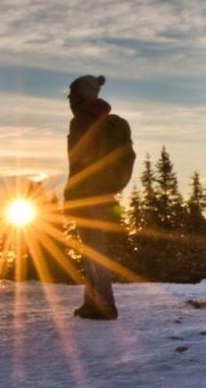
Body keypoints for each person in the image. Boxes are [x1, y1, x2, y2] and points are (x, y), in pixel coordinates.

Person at [64, 75, 136, 320]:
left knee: (93, 250)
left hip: (88, 194)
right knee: (92, 248)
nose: (69, 98)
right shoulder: (100, 118)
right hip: (103, 193)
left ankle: (104, 305)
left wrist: (71, 197)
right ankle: (92, 302)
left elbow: (79, 163)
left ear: (82, 95)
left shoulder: (83, 120)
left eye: (72, 93)